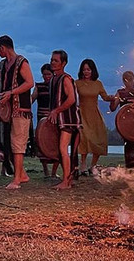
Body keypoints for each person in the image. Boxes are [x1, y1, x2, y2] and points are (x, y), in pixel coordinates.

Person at [0, 35, 34, 190]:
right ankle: (22, 174)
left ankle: (17, 179)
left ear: (2, 48)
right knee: (9, 143)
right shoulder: (4, 64)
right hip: (7, 109)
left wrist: (11, 93)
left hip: (21, 109)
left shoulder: (21, 62)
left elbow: (29, 82)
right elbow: (2, 85)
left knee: (18, 143)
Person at [44, 50, 80, 190]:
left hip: (68, 119)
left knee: (63, 148)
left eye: (56, 61)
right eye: (52, 60)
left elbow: (71, 99)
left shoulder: (65, 79)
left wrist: (56, 111)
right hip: (59, 119)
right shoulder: (53, 79)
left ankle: (66, 181)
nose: (52, 62)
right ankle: (67, 179)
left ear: (63, 63)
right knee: (60, 149)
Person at [75, 58, 115, 175]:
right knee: (85, 138)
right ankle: (82, 164)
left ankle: (92, 166)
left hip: (95, 114)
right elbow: (72, 96)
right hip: (82, 113)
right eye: (84, 70)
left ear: (93, 70)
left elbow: (105, 97)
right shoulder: (77, 83)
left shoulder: (98, 84)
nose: (86, 72)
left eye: (88, 69)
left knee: (99, 139)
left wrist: (112, 98)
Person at [109, 71, 134, 170]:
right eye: (127, 80)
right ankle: (131, 170)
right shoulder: (120, 93)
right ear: (124, 81)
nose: (130, 82)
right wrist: (112, 100)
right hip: (127, 126)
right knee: (130, 146)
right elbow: (113, 108)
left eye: (131, 80)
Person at [32, 63, 58, 179]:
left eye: (49, 74)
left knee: (56, 144)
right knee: (42, 143)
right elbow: (32, 99)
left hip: (54, 119)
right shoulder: (39, 86)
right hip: (41, 119)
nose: (47, 77)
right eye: (44, 75)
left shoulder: (58, 86)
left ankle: (54, 172)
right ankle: (46, 171)